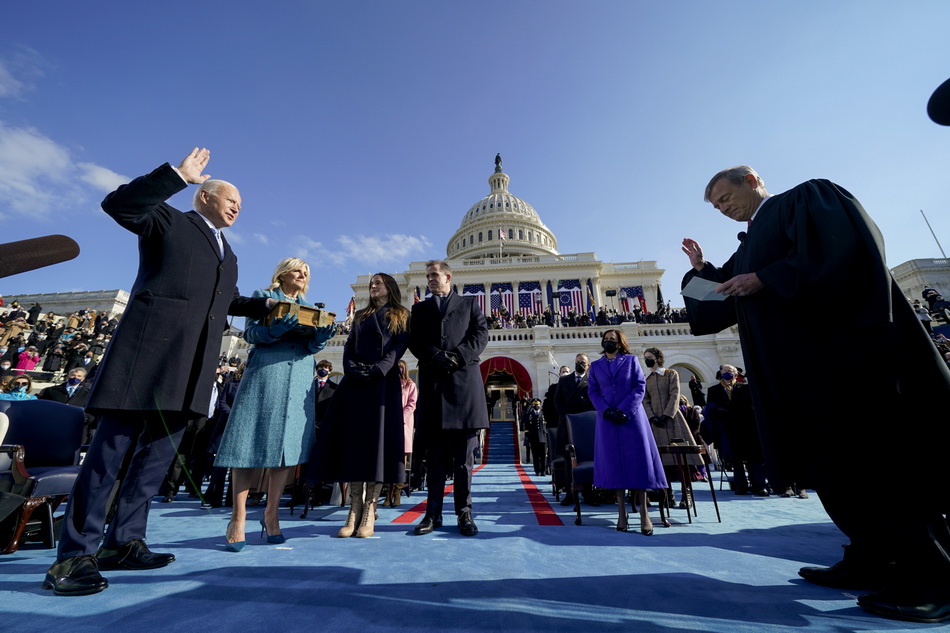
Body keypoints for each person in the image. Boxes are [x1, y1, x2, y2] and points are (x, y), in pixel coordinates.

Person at [682, 164, 950, 623]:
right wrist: (704, 272)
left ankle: (936, 576)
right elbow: (717, 306)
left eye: (726, 198)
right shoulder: (747, 249)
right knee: (834, 471)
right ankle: (870, 558)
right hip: (796, 378)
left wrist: (767, 278)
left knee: (880, 469)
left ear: (752, 180)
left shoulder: (806, 199)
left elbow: (850, 251)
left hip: (844, 367)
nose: (723, 209)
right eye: (716, 206)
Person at [42, 148, 274, 597]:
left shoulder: (230, 254)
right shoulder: (168, 220)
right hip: (144, 362)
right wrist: (175, 176)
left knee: (152, 464)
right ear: (203, 196)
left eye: (241, 205)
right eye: (230, 198)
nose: (237, 207)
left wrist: (262, 306)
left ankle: (124, 542)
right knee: (107, 459)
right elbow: (119, 204)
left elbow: (222, 303)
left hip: (189, 370)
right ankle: (73, 554)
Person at [215, 257, 334, 550]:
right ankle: (238, 517)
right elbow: (251, 333)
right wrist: (273, 331)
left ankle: (271, 514)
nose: (303, 275)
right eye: (297, 270)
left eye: (306, 273)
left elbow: (312, 345)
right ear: (282, 274)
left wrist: (320, 340)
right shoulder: (264, 298)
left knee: (286, 447)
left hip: (299, 374)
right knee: (248, 441)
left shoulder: (311, 307)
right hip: (268, 371)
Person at [316, 273, 409, 537]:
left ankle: (369, 508)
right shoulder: (361, 315)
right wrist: (352, 369)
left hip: (382, 383)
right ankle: (353, 508)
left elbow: (398, 347)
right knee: (356, 444)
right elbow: (349, 347)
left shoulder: (400, 314)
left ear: (389, 288)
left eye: (377, 283)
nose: (373, 287)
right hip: (356, 384)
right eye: (371, 284)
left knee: (377, 445)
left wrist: (379, 369)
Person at [408, 260, 489, 537]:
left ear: (448, 277)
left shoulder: (469, 304)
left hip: (464, 388)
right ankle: (433, 514)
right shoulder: (419, 309)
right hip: (434, 390)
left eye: (435, 275)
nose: (430, 279)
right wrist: (434, 355)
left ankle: (464, 513)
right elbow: (414, 340)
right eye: (428, 275)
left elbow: (480, 334)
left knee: (464, 462)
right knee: (436, 460)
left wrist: (458, 356)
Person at [587, 329, 667, 535]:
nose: (608, 343)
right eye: (605, 340)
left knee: (637, 463)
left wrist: (625, 409)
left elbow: (639, 386)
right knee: (615, 464)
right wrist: (606, 410)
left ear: (620, 343)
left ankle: (644, 514)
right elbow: (593, 391)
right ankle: (621, 512)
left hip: (632, 418)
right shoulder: (595, 366)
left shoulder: (631, 361)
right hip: (607, 419)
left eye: (612, 340)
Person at [641, 347, 703, 509]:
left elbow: (675, 395)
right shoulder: (646, 379)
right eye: (645, 357)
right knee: (662, 460)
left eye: (650, 357)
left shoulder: (670, 374)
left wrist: (667, 414)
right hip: (655, 423)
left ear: (657, 358)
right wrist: (652, 416)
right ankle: (667, 494)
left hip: (673, 420)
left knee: (682, 459)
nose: (647, 360)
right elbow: (645, 400)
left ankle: (686, 493)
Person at [384, 359, 417, 507]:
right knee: (387, 463)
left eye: (401, 368)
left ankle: (397, 493)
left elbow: (411, 404)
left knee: (400, 464)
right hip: (389, 426)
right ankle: (387, 494)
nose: (399, 370)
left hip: (403, 426)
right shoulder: (388, 385)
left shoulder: (410, 385)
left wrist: (400, 417)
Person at [522, 398, 547, 476]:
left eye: (538, 404)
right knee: (535, 455)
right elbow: (526, 426)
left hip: (543, 437)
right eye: (535, 405)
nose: (537, 406)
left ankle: (543, 470)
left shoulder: (544, 413)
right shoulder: (529, 414)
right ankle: (537, 470)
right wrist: (527, 436)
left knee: (543, 455)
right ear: (532, 405)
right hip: (533, 437)